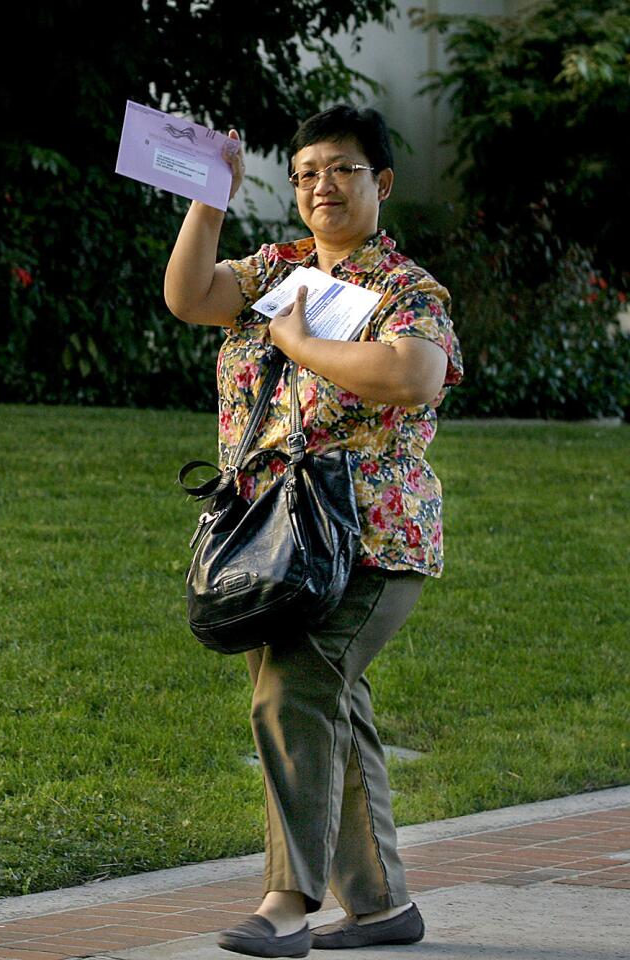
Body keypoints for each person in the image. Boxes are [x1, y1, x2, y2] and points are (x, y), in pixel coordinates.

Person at [163, 105, 463, 957]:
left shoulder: (407, 289)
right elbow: (189, 296)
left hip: (367, 535)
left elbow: (414, 373)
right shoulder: (278, 268)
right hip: (272, 536)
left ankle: (284, 901)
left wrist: (300, 343)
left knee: (293, 692)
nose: (321, 186)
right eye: (304, 174)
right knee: (332, 704)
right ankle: (380, 906)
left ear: (382, 183)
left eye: (341, 169)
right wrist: (210, 197)